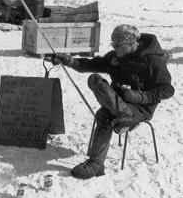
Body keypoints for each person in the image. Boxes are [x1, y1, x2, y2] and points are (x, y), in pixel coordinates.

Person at [52, 24, 174, 179]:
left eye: (117, 45)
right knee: (95, 81)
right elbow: (92, 64)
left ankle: (96, 162)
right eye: (112, 44)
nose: (114, 48)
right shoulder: (116, 57)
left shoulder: (152, 60)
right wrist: (68, 61)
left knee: (105, 115)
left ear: (131, 43)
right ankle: (96, 165)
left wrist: (137, 96)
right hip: (119, 104)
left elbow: (167, 90)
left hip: (140, 110)